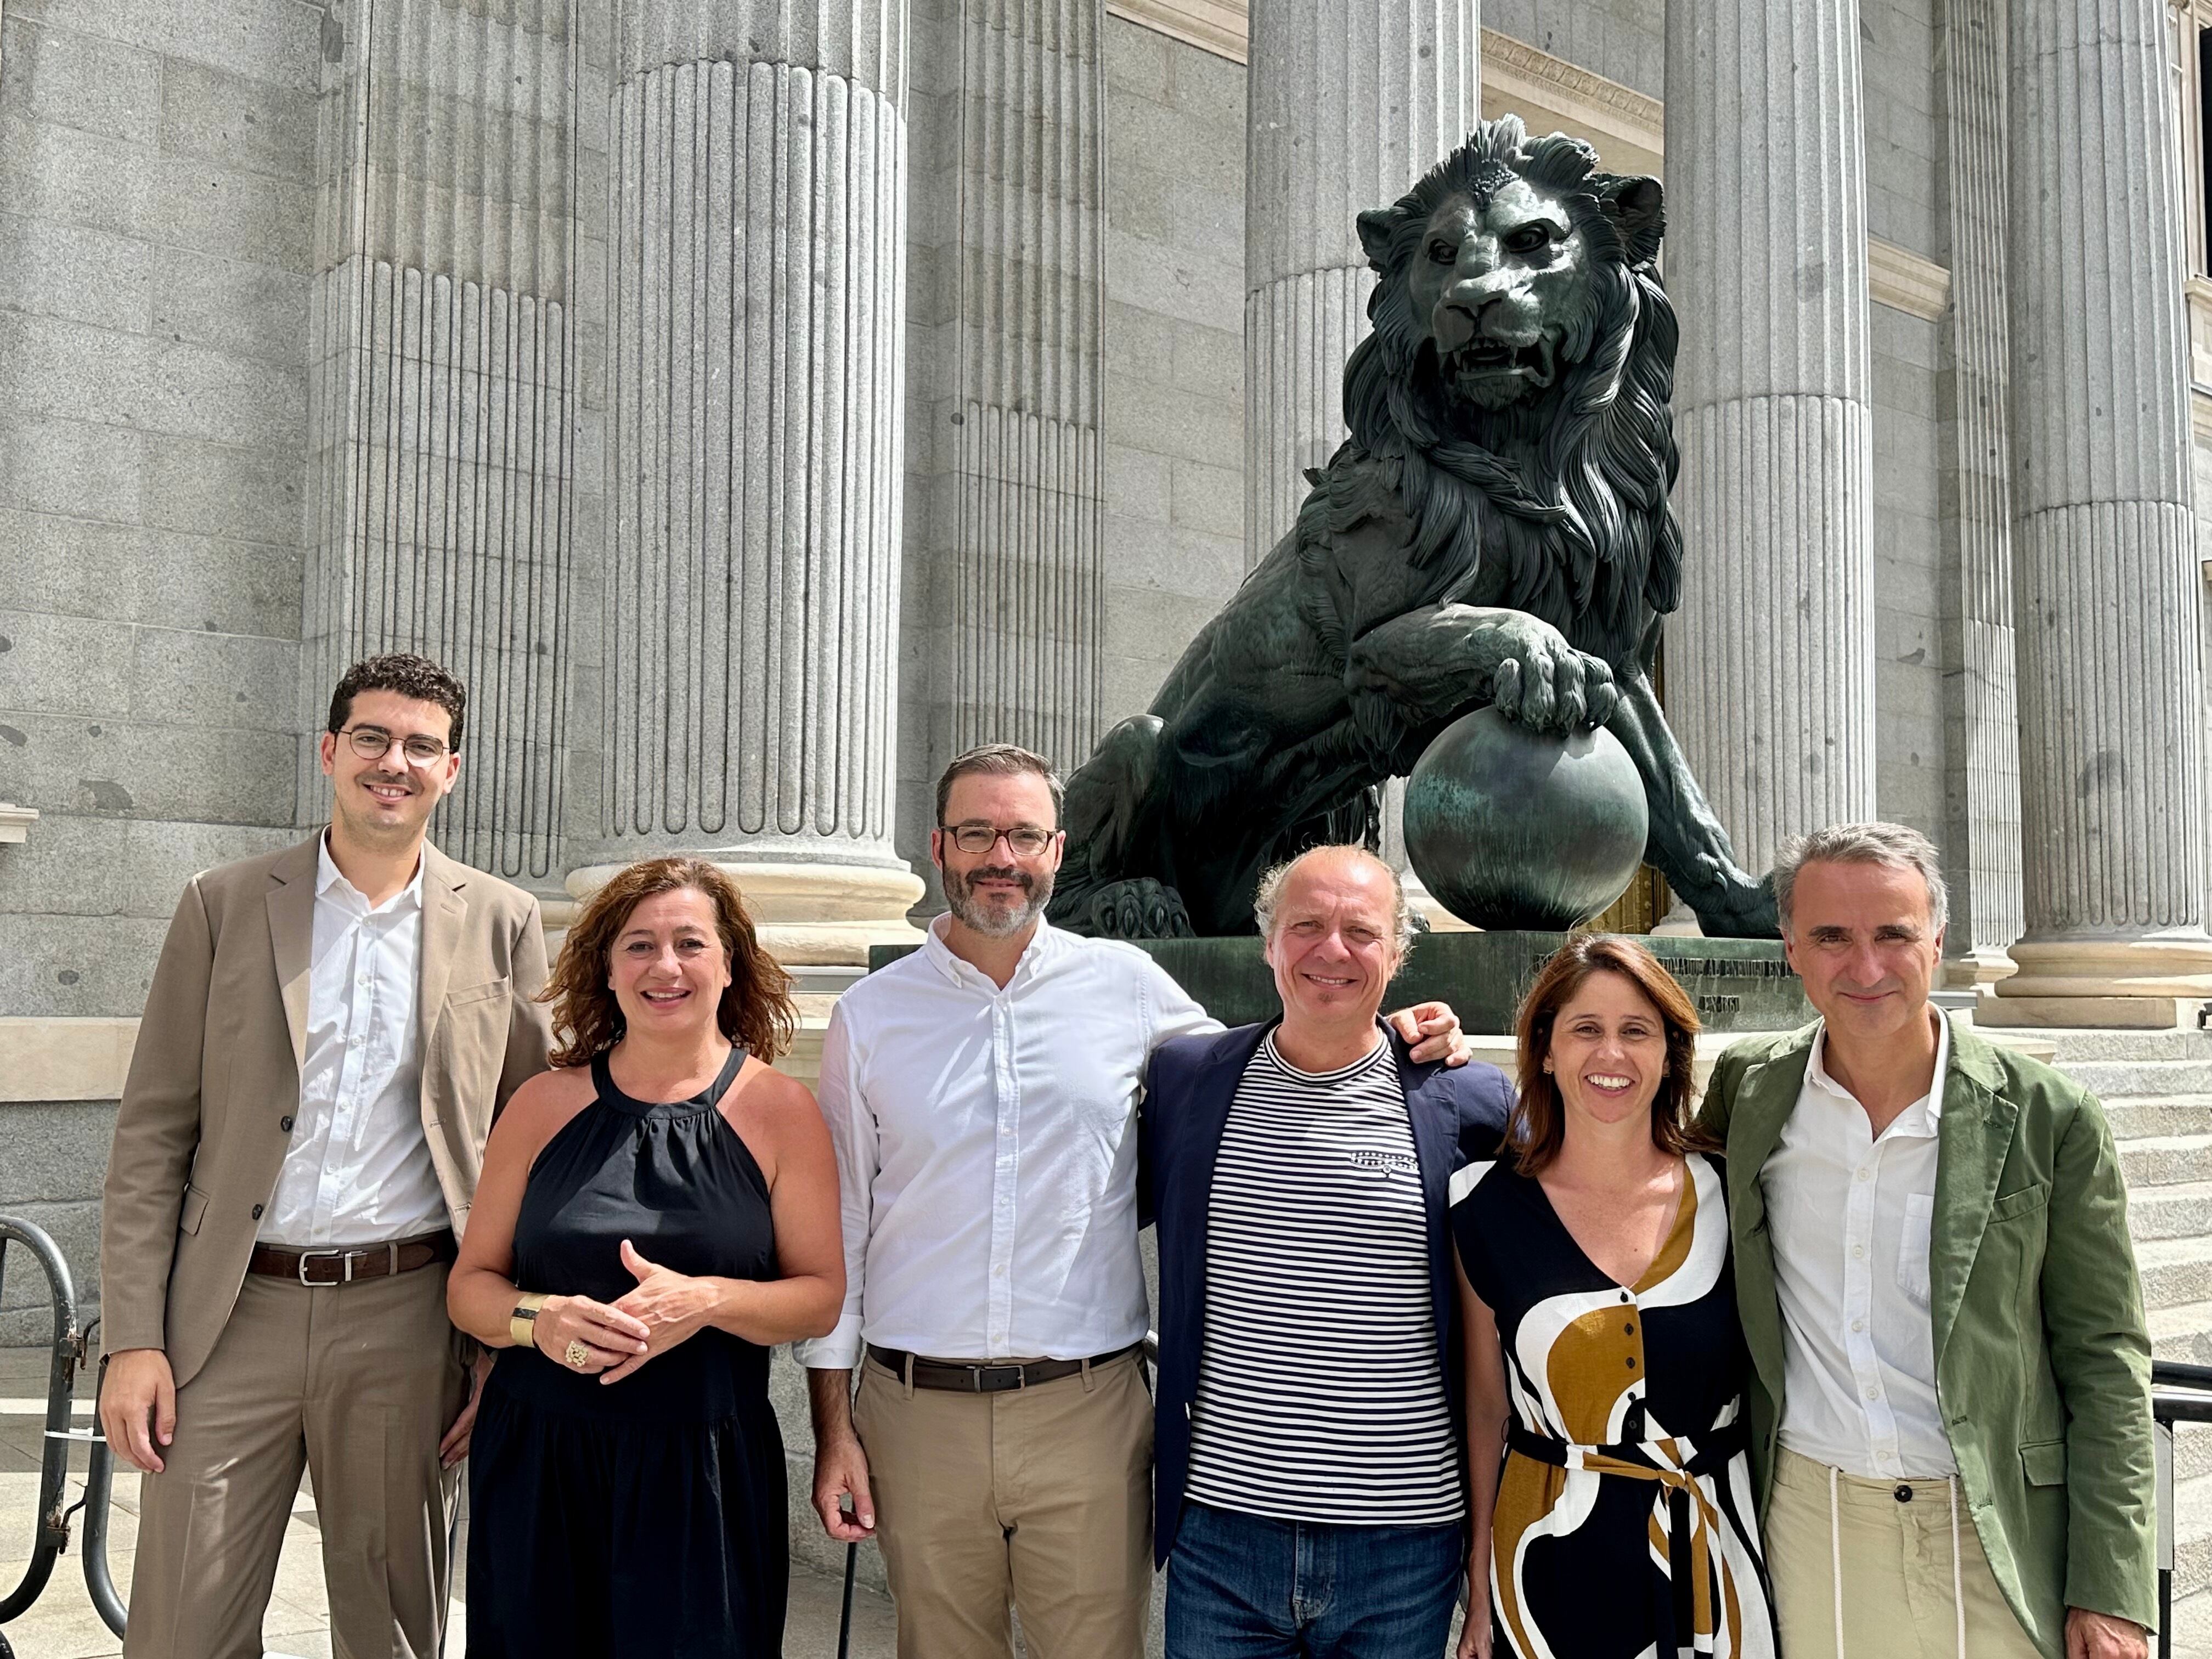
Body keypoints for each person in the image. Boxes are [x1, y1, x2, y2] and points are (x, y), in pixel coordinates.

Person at [798, 746, 1471, 1659]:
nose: (1002, 856)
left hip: (1088, 1410)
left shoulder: (1127, 987)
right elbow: (844, 1221)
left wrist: (1397, 1029)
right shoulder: (870, 1016)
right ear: (939, 846)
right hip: (918, 1414)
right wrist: (833, 1428)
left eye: (1025, 834)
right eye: (977, 833)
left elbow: (1282, 1049)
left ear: (1058, 849)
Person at [97, 653, 554, 1658]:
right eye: (372, 739)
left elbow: (530, 1144)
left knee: (390, 1630)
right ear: (328, 752)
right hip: (226, 1320)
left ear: (453, 769)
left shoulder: (505, 922)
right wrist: (134, 1337)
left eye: (421, 747)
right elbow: (151, 1134)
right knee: (181, 1629)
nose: (395, 762)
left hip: (407, 1316)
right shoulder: (223, 903)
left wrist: (501, 1344)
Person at [1700, 822, 2155, 1659]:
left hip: (1995, 1530)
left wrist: (2112, 1586)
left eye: (1894, 936)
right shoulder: (1747, 1093)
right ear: (1791, 949)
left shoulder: (2050, 1117)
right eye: (1832, 937)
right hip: (1808, 1519)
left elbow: (2105, 1357)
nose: (1865, 968)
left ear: (1938, 944)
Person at [446, 856, 843, 1655]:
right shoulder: (542, 1105)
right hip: (538, 1467)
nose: (666, 966)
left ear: (730, 964)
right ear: (607, 968)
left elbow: (820, 1297)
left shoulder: (781, 1110)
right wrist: (538, 1320)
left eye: (691, 943)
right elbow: (471, 1288)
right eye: (639, 945)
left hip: (704, 1472)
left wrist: (705, 1301)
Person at [1143, 843, 1515, 1659]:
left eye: (1361, 931)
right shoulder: (1186, 1081)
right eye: (1306, 926)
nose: (1332, 951)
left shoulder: (1469, 1102)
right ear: (1269, 943)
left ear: (1398, 953)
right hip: (1222, 1537)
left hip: (1404, 1548)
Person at [1451, 934, 1776, 1659]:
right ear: (1543, 1050)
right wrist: (1477, 1578)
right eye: (1585, 1031)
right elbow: (1484, 1406)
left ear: (1670, 1055)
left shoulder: (1730, 1192)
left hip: (1712, 1553)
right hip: (1547, 1562)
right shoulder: (1482, 1205)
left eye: (1637, 1032)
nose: (1611, 1055)